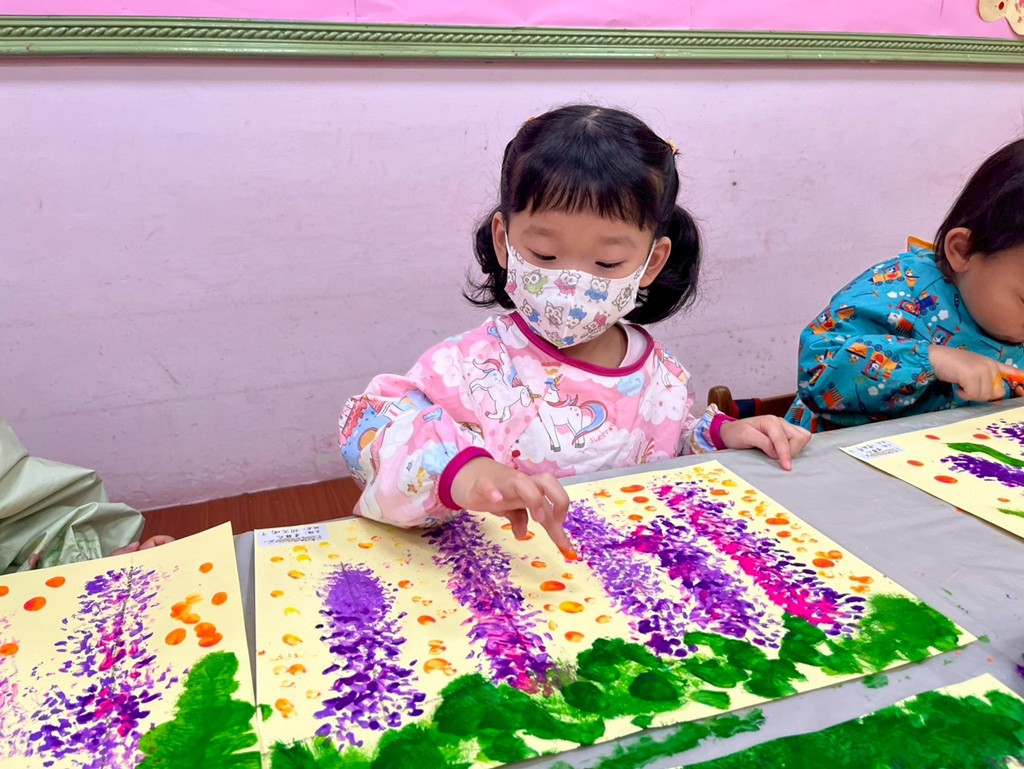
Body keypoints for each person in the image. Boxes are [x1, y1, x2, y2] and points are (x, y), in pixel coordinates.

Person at [340, 104, 810, 555]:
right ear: (504, 240)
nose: (569, 282)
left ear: (652, 262)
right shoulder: (467, 365)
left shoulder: (661, 373)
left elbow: (664, 446)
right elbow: (371, 432)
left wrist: (723, 436)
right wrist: (464, 473)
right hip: (504, 573)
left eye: (607, 262)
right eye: (544, 255)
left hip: (621, 573)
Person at [787, 137, 1024, 431]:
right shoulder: (900, 288)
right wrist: (931, 360)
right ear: (963, 251)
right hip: (839, 453)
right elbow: (816, 368)